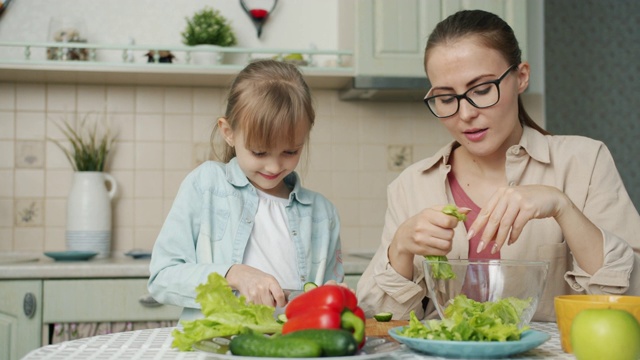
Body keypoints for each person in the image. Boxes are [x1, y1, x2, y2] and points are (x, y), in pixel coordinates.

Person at [357, 9, 640, 322]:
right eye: (446, 98)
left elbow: (631, 300)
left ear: (521, 77)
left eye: (481, 90)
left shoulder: (585, 162)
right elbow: (377, 322)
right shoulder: (409, 186)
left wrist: (563, 207)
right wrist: (401, 249)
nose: (465, 114)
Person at [148, 59, 344, 321]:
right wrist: (233, 274)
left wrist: (335, 297)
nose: (274, 166)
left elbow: (334, 297)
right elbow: (162, 277)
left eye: (290, 151)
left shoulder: (322, 213)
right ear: (228, 132)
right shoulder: (206, 185)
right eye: (259, 151)